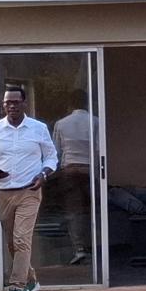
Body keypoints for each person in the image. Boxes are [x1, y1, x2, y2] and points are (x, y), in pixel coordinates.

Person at [0, 84, 57, 291]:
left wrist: (43, 174)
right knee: (12, 243)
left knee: (22, 239)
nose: (11, 106)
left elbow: (51, 157)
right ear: (3, 105)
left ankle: (16, 289)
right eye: (7, 103)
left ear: (24, 104)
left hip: (29, 191)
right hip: (4, 193)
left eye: (15, 102)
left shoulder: (38, 129)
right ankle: (31, 279)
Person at [51, 89, 94, 266]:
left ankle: (79, 248)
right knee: (91, 210)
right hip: (89, 170)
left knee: (73, 210)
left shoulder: (61, 124)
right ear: (86, 102)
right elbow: (99, 150)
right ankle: (94, 246)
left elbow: (56, 151)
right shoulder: (95, 122)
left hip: (70, 170)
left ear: (70, 104)